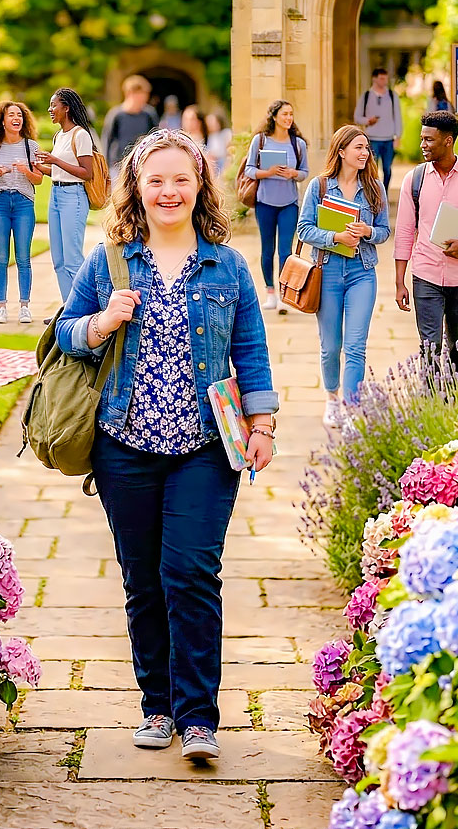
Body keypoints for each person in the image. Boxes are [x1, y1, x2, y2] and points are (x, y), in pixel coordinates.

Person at [56, 127, 278, 762]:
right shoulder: (110, 260)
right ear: (137, 187)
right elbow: (63, 334)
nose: (169, 191)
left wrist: (261, 424)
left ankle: (198, 717)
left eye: (182, 179)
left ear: (200, 184)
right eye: (156, 180)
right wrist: (100, 323)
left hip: (205, 447)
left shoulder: (227, 263)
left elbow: (251, 352)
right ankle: (157, 706)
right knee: (144, 581)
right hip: (123, 445)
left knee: (191, 573)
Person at [297, 125, 390, 430]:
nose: (365, 153)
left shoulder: (375, 187)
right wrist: (335, 236)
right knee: (331, 345)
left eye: (366, 148)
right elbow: (304, 229)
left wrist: (368, 232)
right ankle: (332, 399)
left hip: (362, 273)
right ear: (341, 152)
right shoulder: (320, 186)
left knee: (355, 344)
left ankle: (352, 410)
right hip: (328, 272)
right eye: (358, 148)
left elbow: (384, 231)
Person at [395, 112, 458, 369]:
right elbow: (404, 232)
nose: (423, 145)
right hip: (426, 276)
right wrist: (400, 281)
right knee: (429, 349)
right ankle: (432, 402)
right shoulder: (415, 180)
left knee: (457, 350)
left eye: (429, 140)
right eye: (421, 139)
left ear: (448, 141)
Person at [245, 100, 309, 313]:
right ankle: (270, 292)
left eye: (291, 114)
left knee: (285, 252)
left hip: (288, 203)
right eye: (284, 114)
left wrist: (293, 174)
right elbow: (249, 170)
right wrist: (269, 172)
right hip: (265, 203)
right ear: (274, 117)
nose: (288, 118)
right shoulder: (260, 140)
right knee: (267, 250)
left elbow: (305, 172)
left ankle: (284, 294)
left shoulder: (297, 144)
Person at [0, 102, 43, 325]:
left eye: (19, 115)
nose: (16, 118)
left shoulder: (31, 146)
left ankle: (25, 307)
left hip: (23, 204)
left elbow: (38, 179)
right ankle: (1, 307)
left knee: (23, 257)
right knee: (0, 258)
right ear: (2, 120)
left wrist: (26, 170)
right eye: (11, 115)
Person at [34, 88, 93, 303]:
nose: (50, 110)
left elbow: (87, 173)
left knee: (72, 260)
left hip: (73, 197)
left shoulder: (81, 135)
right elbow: (59, 171)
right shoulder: (59, 135)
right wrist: (40, 167)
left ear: (66, 108)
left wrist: (55, 161)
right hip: (56, 195)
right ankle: (67, 309)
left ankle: (84, 307)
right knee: (58, 260)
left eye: (54, 105)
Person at [353, 67, 402, 195]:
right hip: (372, 139)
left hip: (388, 139)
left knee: (387, 169)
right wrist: (368, 121)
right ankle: (372, 192)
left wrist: (398, 136)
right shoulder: (366, 96)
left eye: (385, 78)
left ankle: (384, 193)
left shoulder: (392, 95)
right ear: (374, 79)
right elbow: (357, 117)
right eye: (381, 78)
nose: (384, 81)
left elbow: (397, 116)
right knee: (371, 168)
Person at [102, 76, 158, 176]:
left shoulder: (149, 115)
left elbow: (155, 138)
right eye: (141, 94)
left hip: (142, 164)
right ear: (130, 93)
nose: (145, 97)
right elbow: (107, 140)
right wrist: (105, 166)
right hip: (118, 165)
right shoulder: (116, 114)